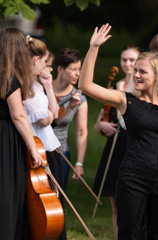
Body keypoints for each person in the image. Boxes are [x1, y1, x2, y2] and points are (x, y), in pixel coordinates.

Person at [78, 23, 158, 240]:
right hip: (132, 177)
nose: (135, 75)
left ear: (157, 74)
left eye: (141, 72)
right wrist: (93, 48)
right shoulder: (125, 100)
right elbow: (86, 85)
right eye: (135, 70)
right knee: (130, 233)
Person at [92, 44, 141, 239]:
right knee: (115, 203)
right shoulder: (115, 87)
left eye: (132, 60)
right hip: (116, 143)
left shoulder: (142, 88)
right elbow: (97, 125)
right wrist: (102, 126)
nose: (128, 64)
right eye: (124, 60)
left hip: (135, 143)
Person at [0, 27, 44, 240]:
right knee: (9, 194)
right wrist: (33, 148)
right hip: (6, 139)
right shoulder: (11, 79)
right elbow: (18, 116)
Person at [23, 36, 67, 240]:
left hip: (49, 148)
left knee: (56, 200)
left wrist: (49, 86)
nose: (46, 68)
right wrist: (49, 114)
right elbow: (44, 120)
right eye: (45, 63)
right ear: (35, 61)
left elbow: (54, 114)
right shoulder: (25, 88)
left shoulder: (38, 85)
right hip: (39, 151)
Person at [52, 48, 88, 190]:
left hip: (61, 152)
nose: (78, 74)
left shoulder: (79, 98)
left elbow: (81, 132)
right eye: (73, 69)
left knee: (57, 198)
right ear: (60, 69)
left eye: (79, 69)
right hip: (37, 150)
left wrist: (79, 163)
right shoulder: (41, 90)